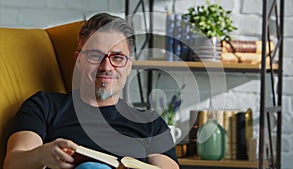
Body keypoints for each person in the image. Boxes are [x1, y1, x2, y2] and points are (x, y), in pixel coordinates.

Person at [3, 13, 179, 169]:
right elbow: (13, 163)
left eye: (117, 58)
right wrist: (41, 154)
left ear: (129, 65)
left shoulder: (151, 124)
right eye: (95, 56)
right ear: (78, 60)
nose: (106, 67)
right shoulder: (44, 106)